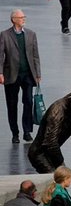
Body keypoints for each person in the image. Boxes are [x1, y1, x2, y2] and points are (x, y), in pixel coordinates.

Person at [0, 10, 41, 144]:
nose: (24, 19)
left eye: (24, 17)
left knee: (28, 102)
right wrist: (0, 73)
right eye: (21, 17)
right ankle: (15, 133)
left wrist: (38, 73)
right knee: (12, 105)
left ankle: (27, 131)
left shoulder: (31, 34)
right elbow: (1, 56)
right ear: (14, 19)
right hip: (11, 75)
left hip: (28, 75)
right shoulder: (5, 35)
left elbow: (35, 55)